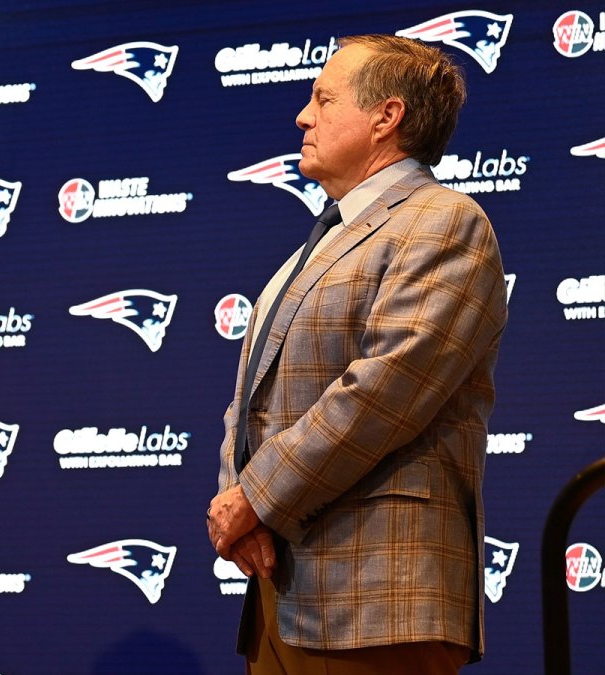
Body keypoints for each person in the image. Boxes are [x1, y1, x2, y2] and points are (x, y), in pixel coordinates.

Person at [208, 35, 507, 673]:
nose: (302, 116)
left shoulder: (445, 222)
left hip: (378, 599)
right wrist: (240, 505)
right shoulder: (318, 241)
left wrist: (254, 498)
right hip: (278, 591)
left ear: (385, 117)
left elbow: (382, 392)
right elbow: (251, 400)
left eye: (322, 98)